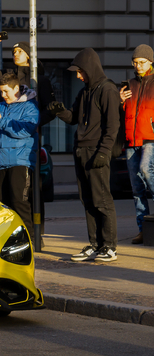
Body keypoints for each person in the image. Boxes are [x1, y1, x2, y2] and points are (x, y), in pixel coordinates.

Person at [0, 33, 56, 243]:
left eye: (19, 50)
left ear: (30, 55)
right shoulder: (7, 76)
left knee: (29, 196)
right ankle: (17, 240)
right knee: (8, 202)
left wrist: (35, 124)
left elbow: (48, 109)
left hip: (26, 143)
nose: (15, 54)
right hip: (5, 149)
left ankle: (33, 237)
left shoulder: (39, 79)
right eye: (12, 51)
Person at [48, 48, 120, 262]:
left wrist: (103, 152)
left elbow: (112, 127)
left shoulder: (107, 90)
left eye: (80, 71)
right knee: (87, 200)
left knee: (102, 200)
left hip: (96, 151)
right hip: (80, 150)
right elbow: (73, 118)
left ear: (90, 68)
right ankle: (95, 244)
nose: (78, 76)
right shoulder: (84, 91)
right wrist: (59, 111)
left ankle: (110, 246)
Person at [0, 73, 39, 243]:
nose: (3, 95)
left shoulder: (30, 107)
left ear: (16, 89)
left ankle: (29, 241)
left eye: (5, 91)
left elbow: (25, 130)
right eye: (1, 92)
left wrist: (2, 120)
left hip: (20, 161)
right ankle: (13, 240)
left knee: (20, 203)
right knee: (6, 206)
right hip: (2, 162)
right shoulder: (2, 107)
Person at [119, 44, 154, 245]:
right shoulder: (129, 84)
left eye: (141, 62)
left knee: (146, 170)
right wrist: (120, 100)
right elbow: (121, 112)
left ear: (150, 61)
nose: (138, 66)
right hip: (131, 140)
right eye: (135, 62)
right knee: (135, 187)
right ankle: (143, 229)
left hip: (150, 137)